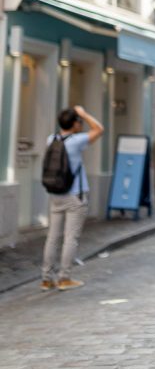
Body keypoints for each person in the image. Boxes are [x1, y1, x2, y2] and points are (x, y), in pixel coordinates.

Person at [41, 104, 104, 291]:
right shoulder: (76, 141)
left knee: (52, 237)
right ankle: (64, 278)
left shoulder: (51, 139)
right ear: (75, 124)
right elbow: (99, 129)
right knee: (70, 238)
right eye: (79, 122)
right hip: (75, 195)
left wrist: (78, 117)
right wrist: (84, 114)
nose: (81, 124)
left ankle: (46, 278)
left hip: (55, 194)